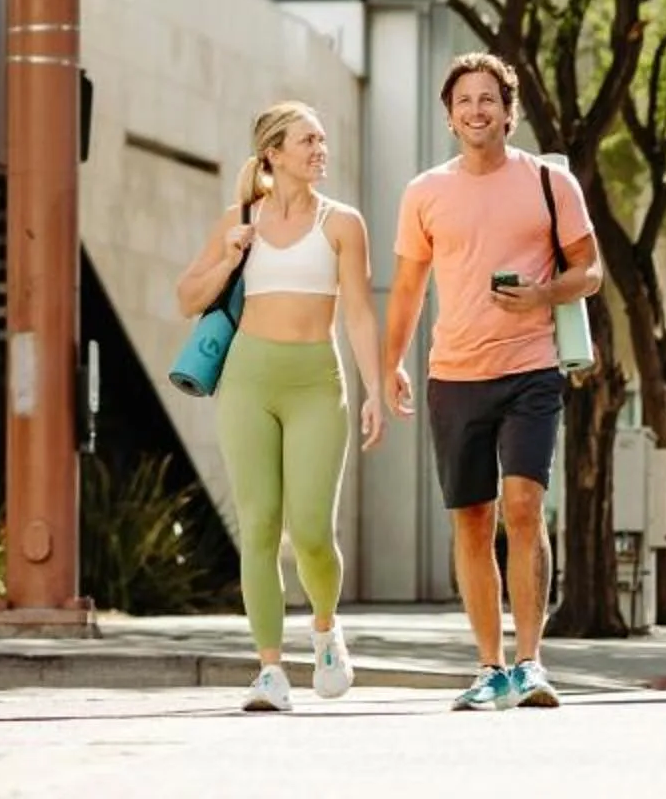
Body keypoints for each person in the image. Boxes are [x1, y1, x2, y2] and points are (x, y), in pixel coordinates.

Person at [379, 50, 600, 712]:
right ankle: (489, 666)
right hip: (455, 374)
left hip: (530, 369)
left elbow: (589, 271)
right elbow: (409, 288)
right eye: (464, 101)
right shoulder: (425, 192)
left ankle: (531, 661)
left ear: (510, 113)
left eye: (489, 100)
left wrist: (543, 295)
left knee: (525, 506)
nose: (477, 110)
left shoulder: (548, 184)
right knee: (472, 521)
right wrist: (390, 362)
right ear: (450, 116)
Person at [174, 100, 386, 713]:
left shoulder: (343, 222)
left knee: (313, 531)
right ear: (273, 152)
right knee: (260, 525)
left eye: (323, 140)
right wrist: (227, 255)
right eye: (307, 141)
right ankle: (269, 670)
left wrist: (374, 388)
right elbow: (187, 296)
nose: (320, 150)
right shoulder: (240, 218)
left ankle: (325, 631)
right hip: (247, 381)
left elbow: (359, 315)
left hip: (317, 382)